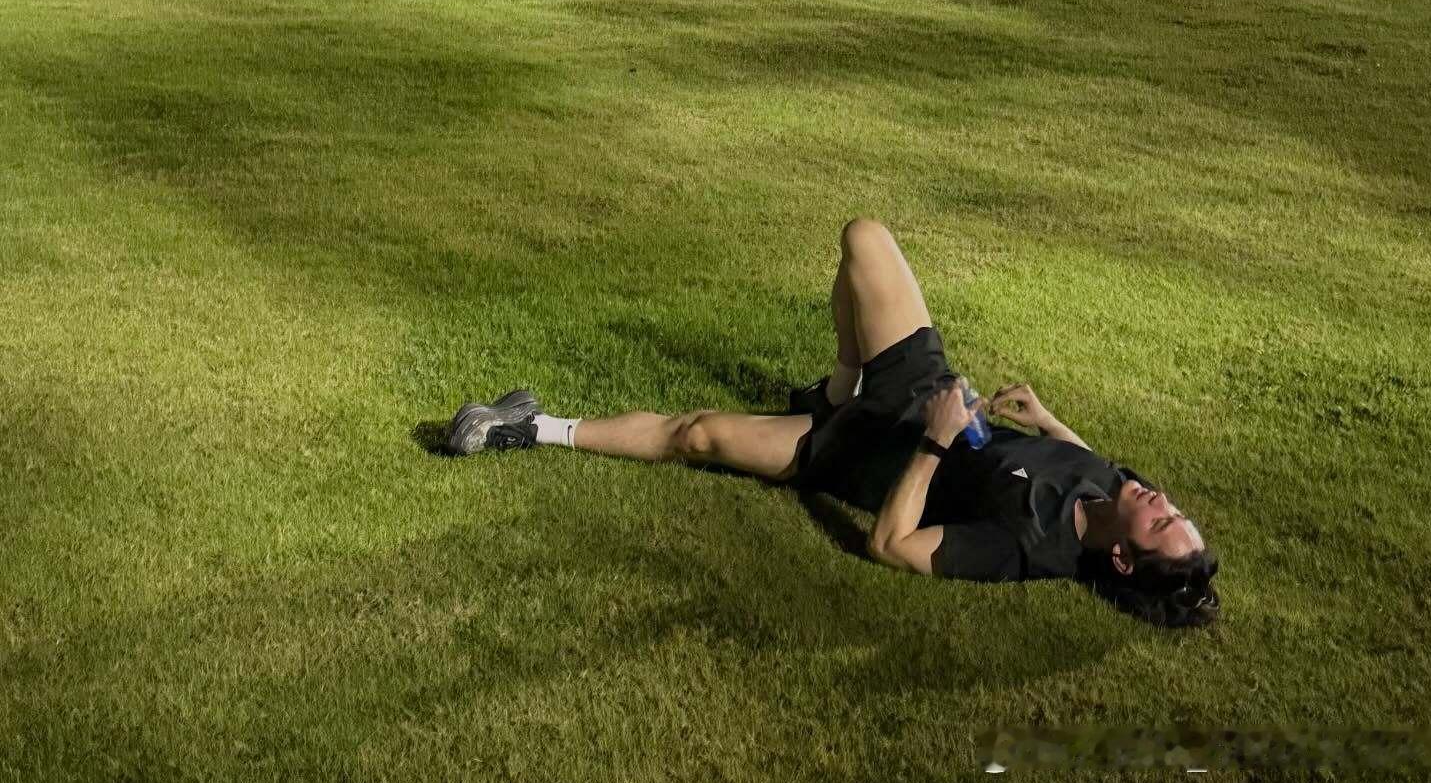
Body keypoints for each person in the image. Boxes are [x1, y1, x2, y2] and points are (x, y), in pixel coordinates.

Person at [445, 217, 1219, 630]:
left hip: (863, 454)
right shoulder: (1118, 487)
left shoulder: (1028, 549)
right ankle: (841, 383)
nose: (1160, 500)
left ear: (1122, 559)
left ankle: (528, 427)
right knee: (865, 237)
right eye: (1175, 509)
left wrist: (936, 442)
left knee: (697, 435)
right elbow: (1085, 460)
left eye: (1161, 522)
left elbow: (890, 546)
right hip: (924, 391)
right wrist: (1047, 419)